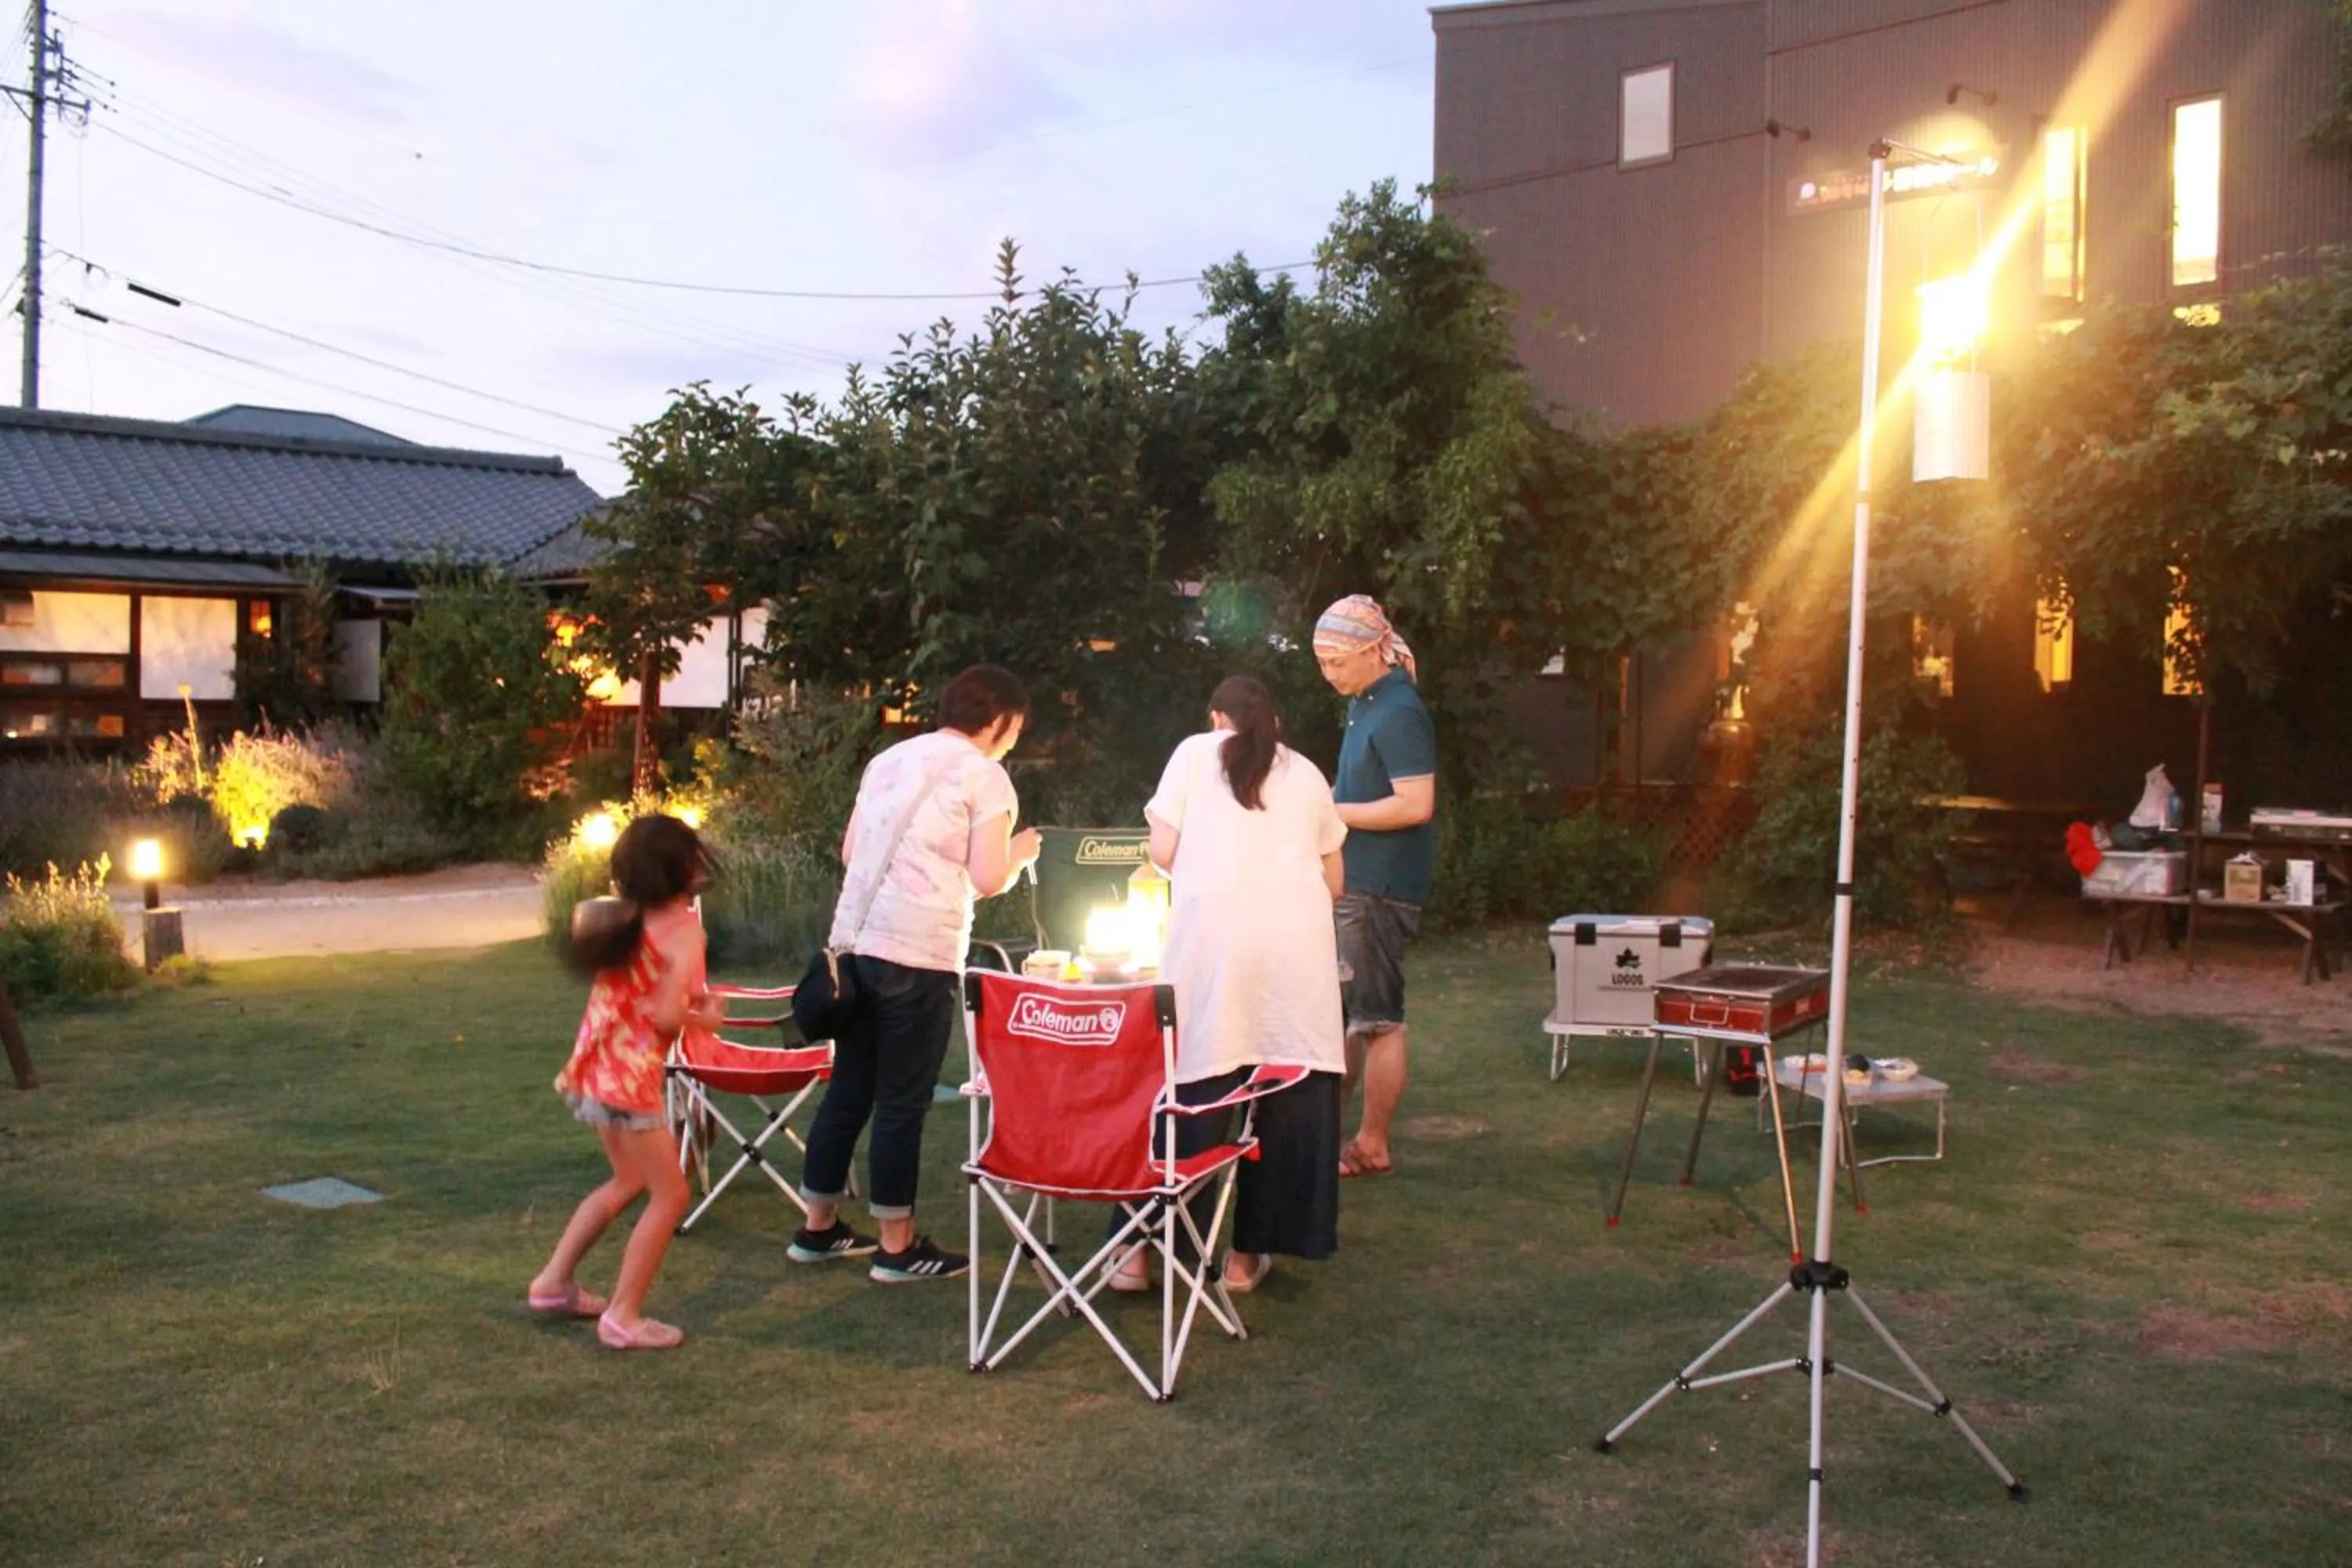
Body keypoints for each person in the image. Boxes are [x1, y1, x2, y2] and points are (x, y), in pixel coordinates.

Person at [793, 663, 1041, 1283]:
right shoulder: (986, 778)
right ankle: (896, 1248)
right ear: (999, 721)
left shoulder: (889, 761)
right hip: (919, 953)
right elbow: (987, 878)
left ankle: (816, 1229)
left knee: (849, 1089)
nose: (1014, 739)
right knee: (902, 1102)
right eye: (1015, 728)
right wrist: (1021, 853)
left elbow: (853, 852)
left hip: (853, 947)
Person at [1109, 675, 1348, 1297]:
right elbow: (1336, 881)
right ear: (1275, 722)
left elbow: (1162, 851)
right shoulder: (1310, 775)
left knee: (1190, 1095)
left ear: (1217, 717)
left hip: (1211, 956)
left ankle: (1135, 1255)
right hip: (1294, 964)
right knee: (1288, 1103)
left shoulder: (1192, 753)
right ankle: (1243, 1261)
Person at [531, 813, 721, 1352]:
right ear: (685, 867)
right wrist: (707, 1017)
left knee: (627, 1181)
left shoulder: (618, 916)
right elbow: (664, 1015)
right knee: (670, 1192)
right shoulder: (685, 928)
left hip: (592, 1073)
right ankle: (624, 1315)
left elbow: (640, 991)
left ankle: (553, 1283)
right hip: (630, 1081)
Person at [1312, 594, 1437, 1180]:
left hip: (1382, 887)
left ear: (1369, 651)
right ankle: (1324, 1134)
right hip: (1357, 881)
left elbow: (1416, 804)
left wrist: (1332, 812)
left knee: (1379, 1018)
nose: (1328, 673)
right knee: (1349, 1016)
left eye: (1337, 661)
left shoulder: (1399, 711)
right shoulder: (1364, 703)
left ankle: (1372, 1144)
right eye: (1323, 663)